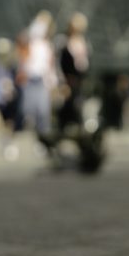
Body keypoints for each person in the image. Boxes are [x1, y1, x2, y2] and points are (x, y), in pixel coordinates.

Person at [20, 11, 59, 151]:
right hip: (30, 79)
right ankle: (29, 141)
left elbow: (50, 66)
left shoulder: (47, 46)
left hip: (42, 81)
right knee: (28, 111)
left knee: (43, 111)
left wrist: (52, 82)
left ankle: (43, 142)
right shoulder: (29, 42)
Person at [57, 12, 90, 131]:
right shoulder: (64, 42)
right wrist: (62, 82)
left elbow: (85, 62)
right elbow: (60, 63)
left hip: (80, 79)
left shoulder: (83, 42)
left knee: (79, 104)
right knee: (68, 105)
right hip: (68, 80)